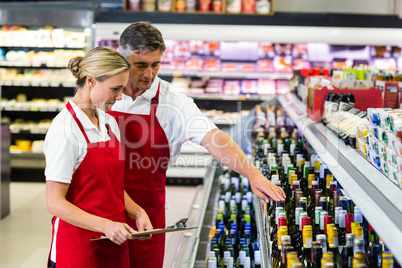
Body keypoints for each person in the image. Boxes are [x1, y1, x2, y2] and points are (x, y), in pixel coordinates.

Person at [108, 21, 286, 268]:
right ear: (121, 58)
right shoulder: (104, 94)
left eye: (155, 65)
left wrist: (253, 174)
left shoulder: (175, 103)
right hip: (101, 205)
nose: (149, 74)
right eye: (140, 65)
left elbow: (215, 139)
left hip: (147, 213)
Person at [44, 46, 152, 268]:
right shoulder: (65, 129)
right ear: (91, 81)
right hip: (78, 247)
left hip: (112, 241)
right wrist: (105, 225)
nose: (119, 97)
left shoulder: (109, 123)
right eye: (115, 89)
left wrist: (138, 212)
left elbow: (109, 187)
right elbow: (54, 203)